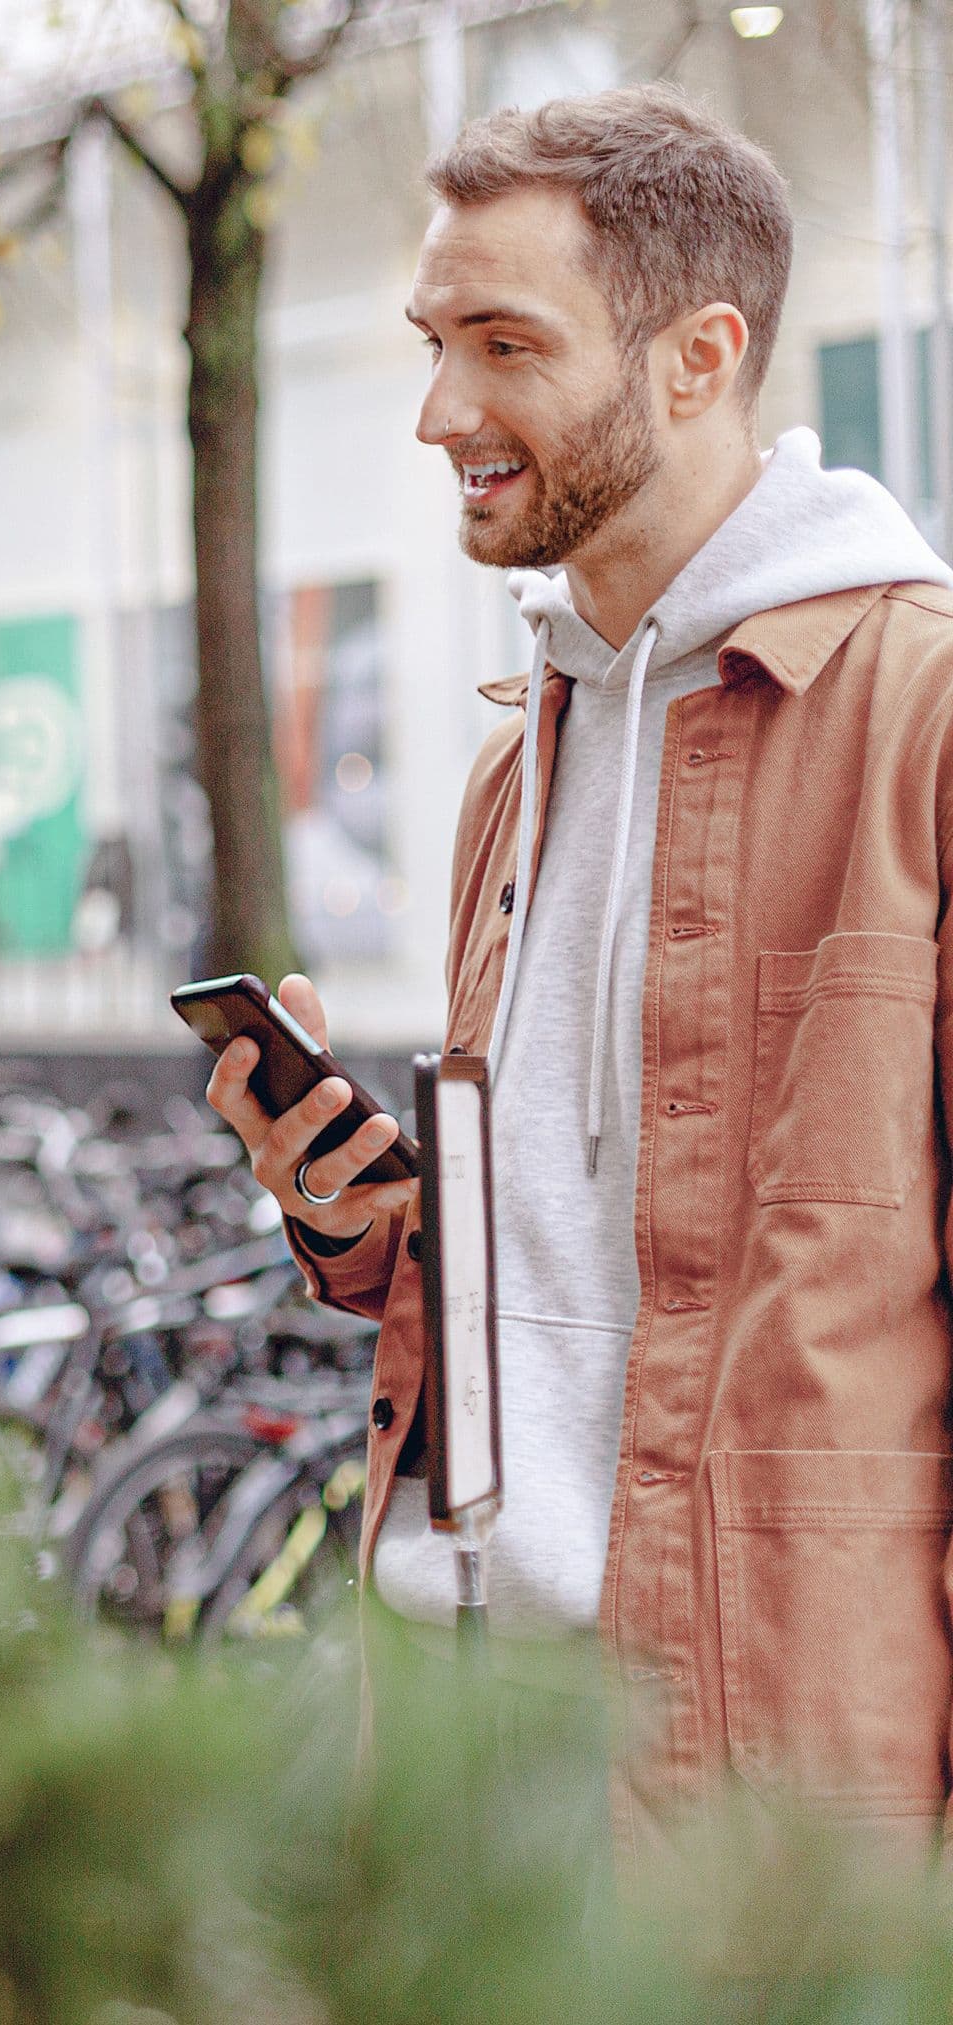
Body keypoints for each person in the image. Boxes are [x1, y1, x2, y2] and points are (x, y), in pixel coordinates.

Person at [213, 86, 953, 1839]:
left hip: (768, 1782)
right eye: (430, 340)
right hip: (466, 1733)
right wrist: (350, 1213)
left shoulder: (917, 719)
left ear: (699, 356)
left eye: (505, 344)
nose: (440, 411)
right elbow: (569, 1251)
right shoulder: (512, 764)